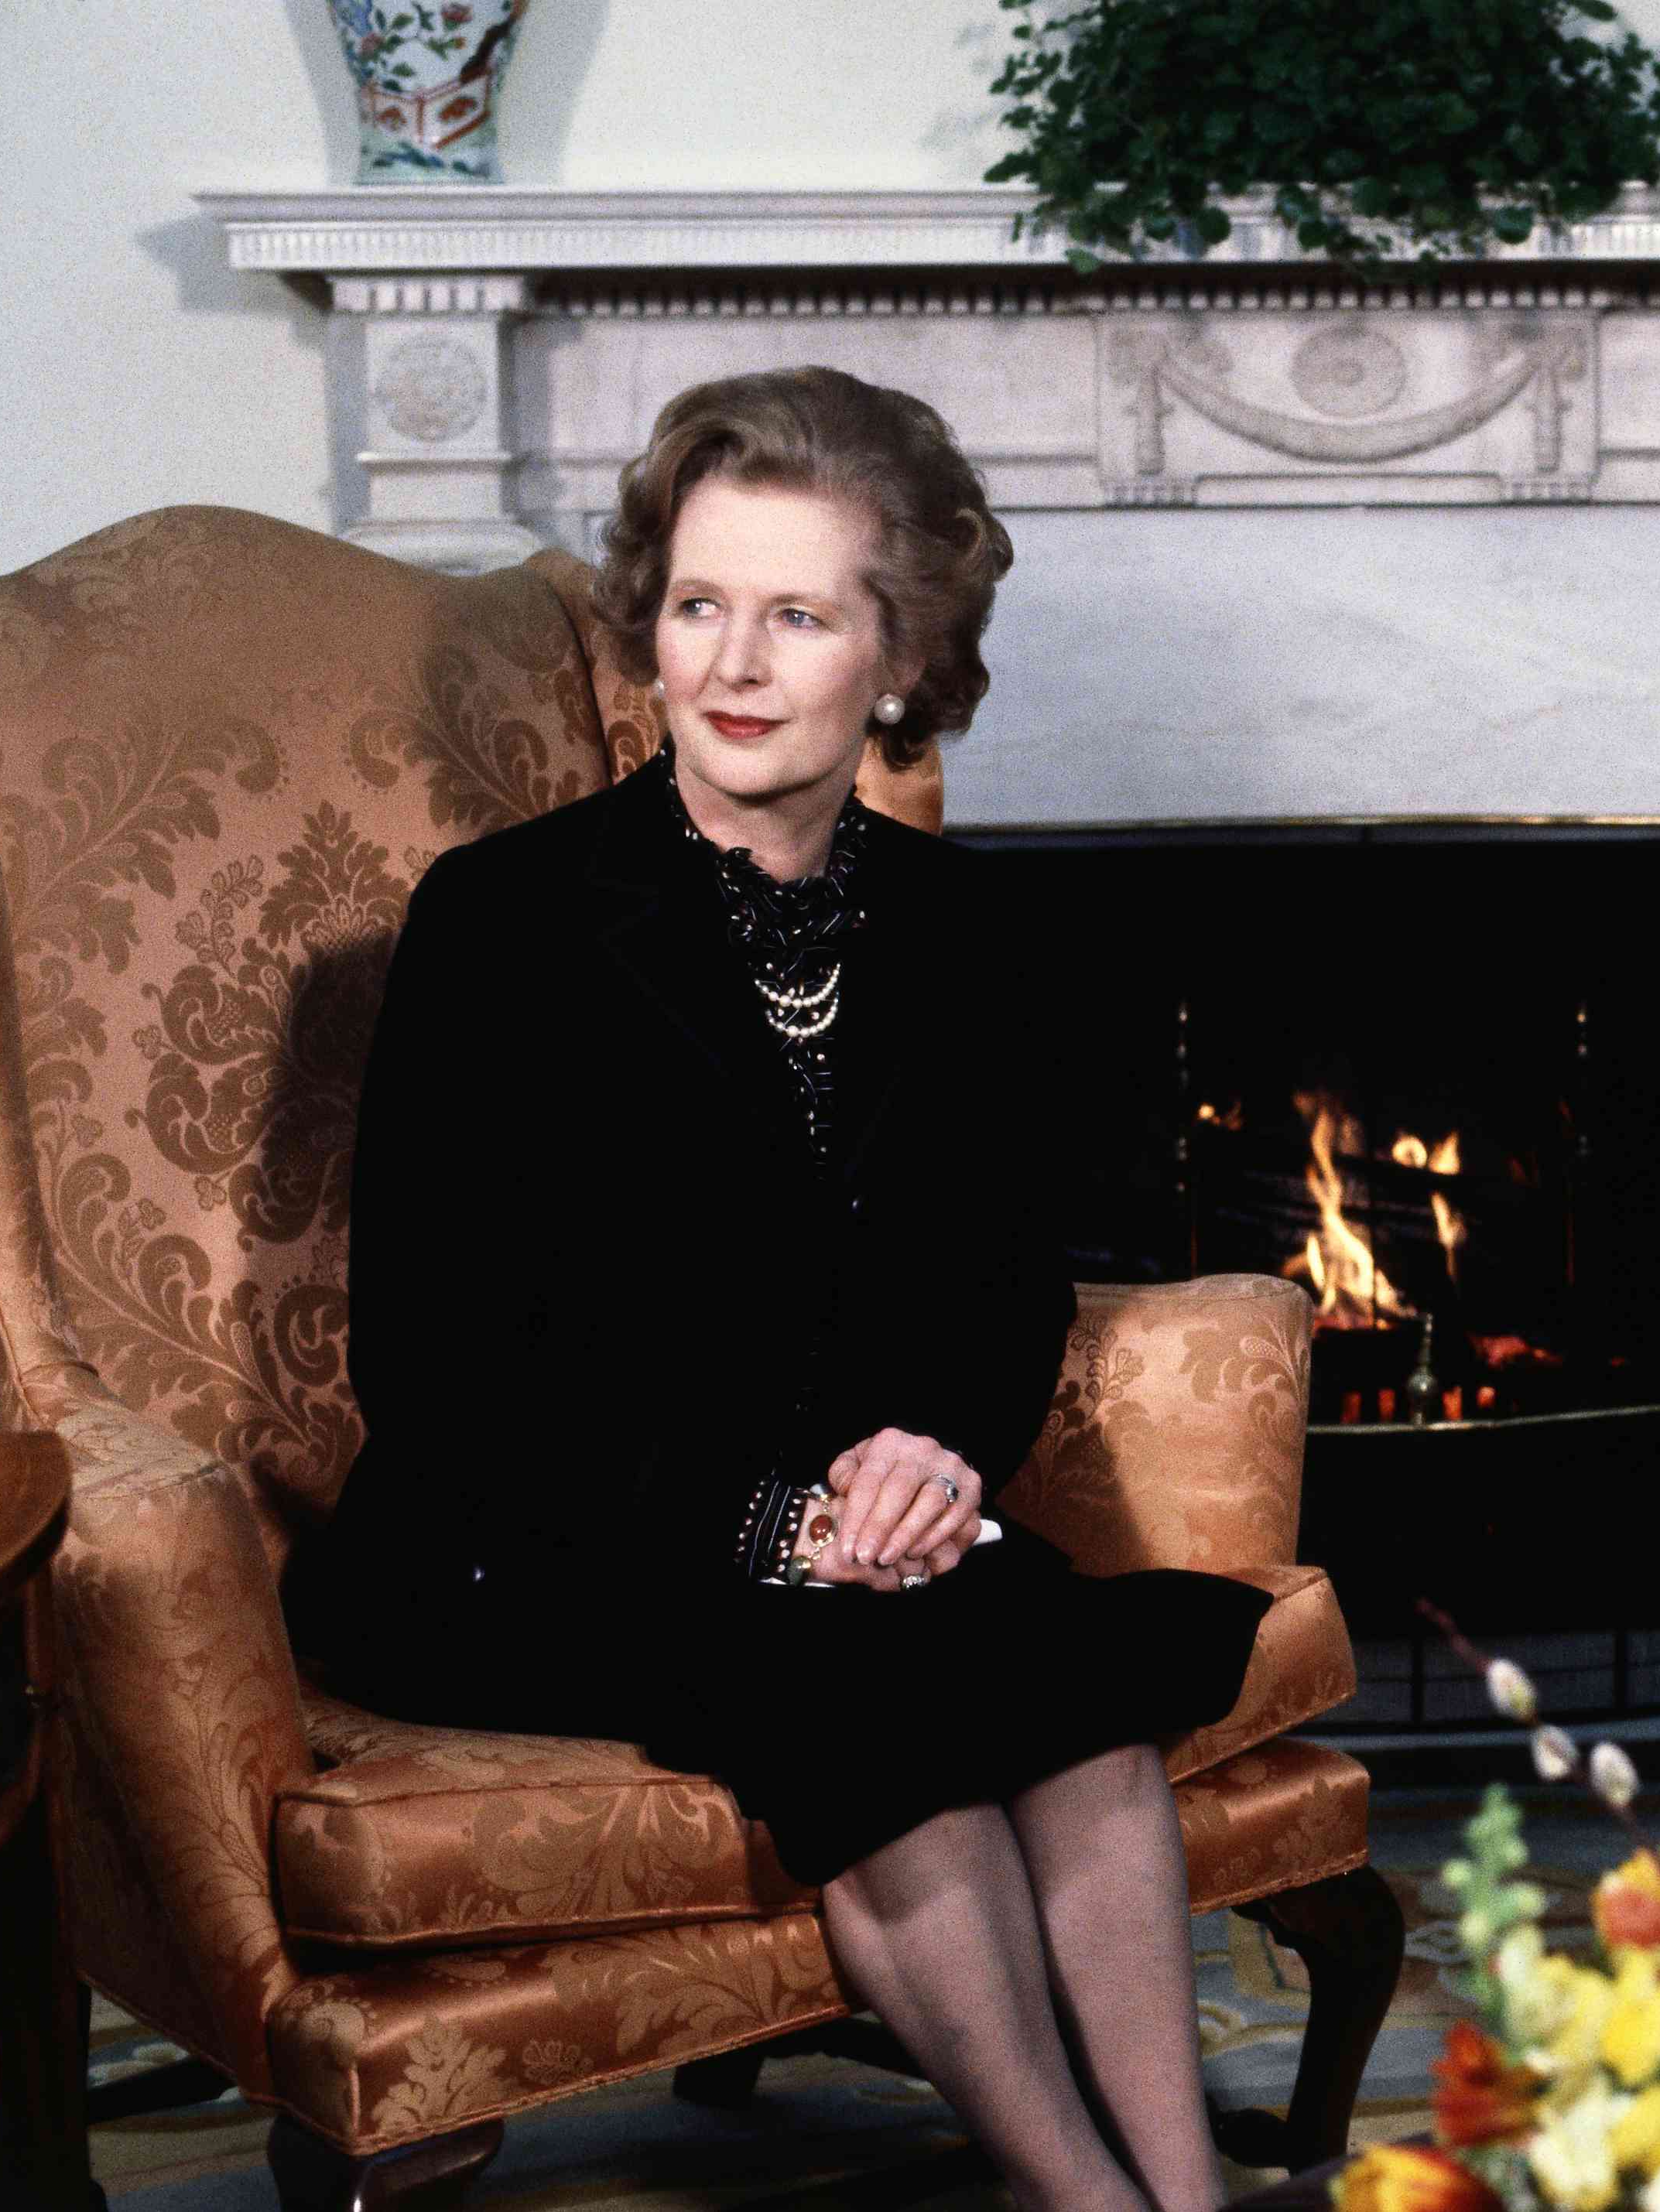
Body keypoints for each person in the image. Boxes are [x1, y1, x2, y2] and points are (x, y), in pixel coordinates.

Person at [290, 366, 1269, 2212]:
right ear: (650, 625)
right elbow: (435, 1362)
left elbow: (992, 1284)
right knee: (871, 1697)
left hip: (862, 1526)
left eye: (799, 613)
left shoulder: (970, 935)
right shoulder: (500, 920)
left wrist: (931, 1454)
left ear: (897, 658)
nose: (734, 660)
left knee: (1064, 1675)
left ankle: (1188, 2200)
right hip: (536, 1536)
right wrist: (766, 1521)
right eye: (698, 603)